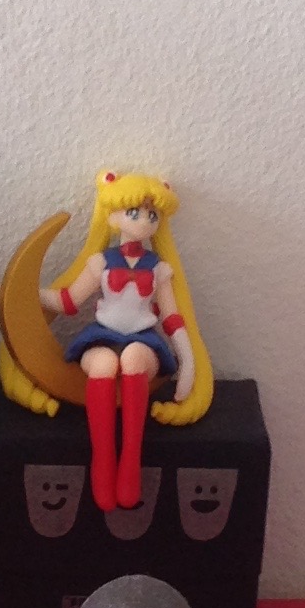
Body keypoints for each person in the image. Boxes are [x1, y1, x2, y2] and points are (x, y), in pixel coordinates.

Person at [39, 171, 209, 510]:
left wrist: (189, 362)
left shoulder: (159, 269)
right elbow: (68, 301)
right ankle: (103, 460)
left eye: (152, 215)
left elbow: (172, 318)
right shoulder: (101, 262)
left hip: (144, 341)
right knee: (103, 364)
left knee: (132, 357)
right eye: (134, 212)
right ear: (113, 217)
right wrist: (22, 294)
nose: (144, 221)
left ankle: (131, 459)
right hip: (101, 336)